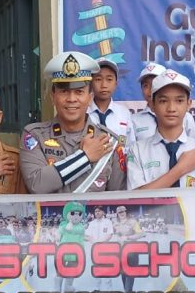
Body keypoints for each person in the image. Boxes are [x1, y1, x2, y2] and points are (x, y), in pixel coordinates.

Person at [20, 51, 127, 194]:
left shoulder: (109, 142)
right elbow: (37, 185)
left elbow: (118, 199)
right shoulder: (34, 136)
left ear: (90, 98)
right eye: (64, 91)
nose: (71, 99)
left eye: (79, 92)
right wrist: (85, 158)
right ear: (53, 96)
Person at [128, 71, 195, 191]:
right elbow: (135, 199)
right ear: (152, 105)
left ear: (188, 104)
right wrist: (181, 169)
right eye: (163, 101)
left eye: (179, 101)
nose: (171, 108)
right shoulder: (137, 150)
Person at [128, 62, 195, 144]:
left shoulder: (186, 118)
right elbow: (130, 151)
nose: (150, 89)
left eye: (155, 84)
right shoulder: (134, 120)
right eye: (145, 85)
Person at [87, 59, 129, 140]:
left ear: (116, 84)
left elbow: (130, 146)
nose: (104, 85)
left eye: (109, 79)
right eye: (98, 79)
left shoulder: (124, 114)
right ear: (91, 83)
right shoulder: (83, 113)